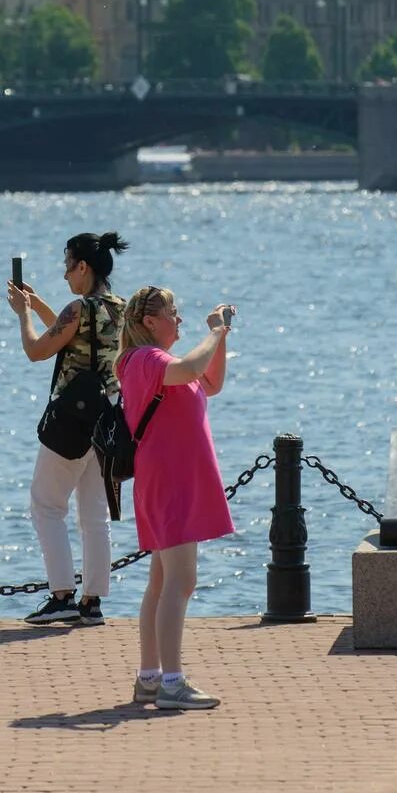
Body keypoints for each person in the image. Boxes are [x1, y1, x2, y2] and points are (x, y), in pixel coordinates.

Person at [117, 286, 235, 710]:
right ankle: (171, 682)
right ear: (150, 322)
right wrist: (215, 331)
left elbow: (211, 381)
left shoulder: (159, 363)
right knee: (181, 581)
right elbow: (190, 368)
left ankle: (150, 678)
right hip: (169, 482)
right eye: (173, 313)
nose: (179, 320)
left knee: (162, 582)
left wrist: (219, 337)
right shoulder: (145, 360)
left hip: (174, 479)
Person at [7, 231, 129, 627]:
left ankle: (62, 596)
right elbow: (72, 335)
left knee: (46, 505)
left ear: (83, 267)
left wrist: (23, 315)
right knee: (94, 514)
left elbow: (36, 349)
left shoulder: (78, 309)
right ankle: (92, 603)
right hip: (107, 420)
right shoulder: (120, 309)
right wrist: (38, 302)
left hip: (72, 422)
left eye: (67, 266)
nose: (64, 275)